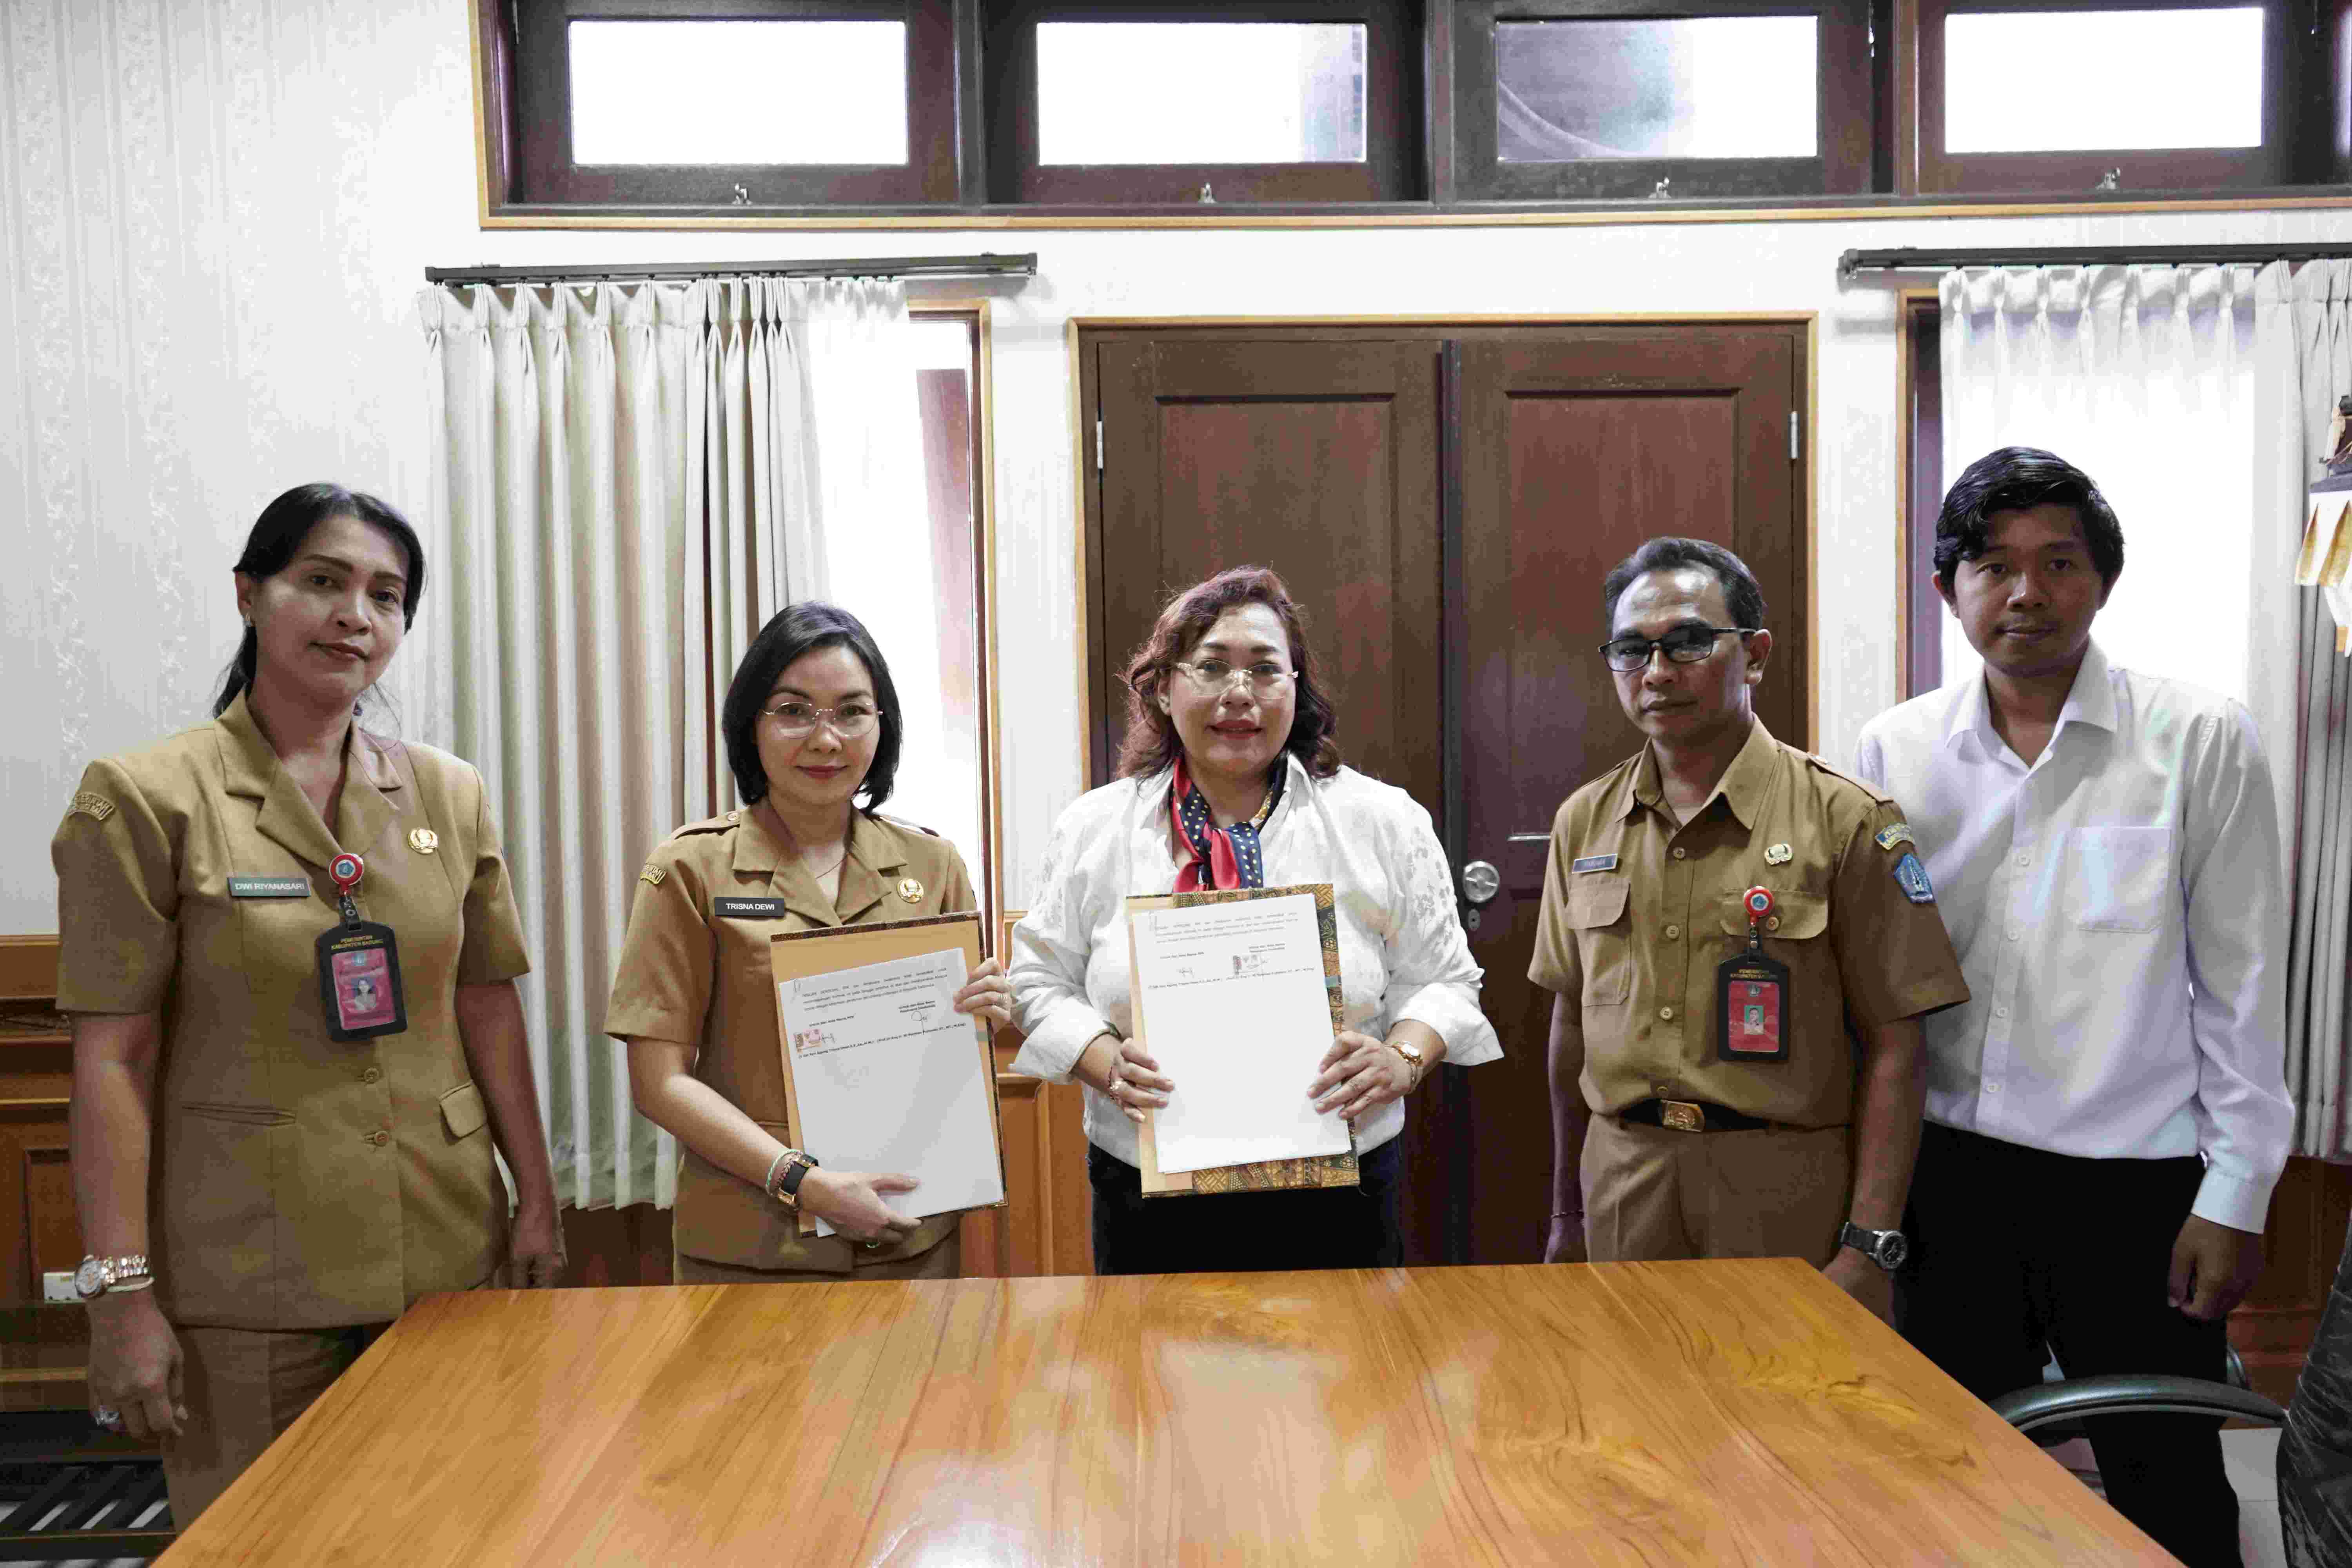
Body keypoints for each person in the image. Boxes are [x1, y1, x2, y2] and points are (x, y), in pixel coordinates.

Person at [54, 483, 563, 1524]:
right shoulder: (148, 796)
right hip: (248, 1274)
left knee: (454, 1534)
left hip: (444, 1247)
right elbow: (113, 1060)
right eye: (322, 582)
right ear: (251, 595)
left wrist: (540, 1201)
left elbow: (487, 1005)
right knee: (262, 1544)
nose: (356, 615)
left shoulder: (449, 794)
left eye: (387, 594)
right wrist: (121, 1296)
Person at [1854, 447, 2292, 1568]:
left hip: (2138, 1186)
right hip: (1950, 1177)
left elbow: (2241, 983)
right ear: (1948, 588)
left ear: (2102, 582)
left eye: (2060, 563)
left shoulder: (2198, 741)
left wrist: (2237, 1192)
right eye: (1992, 567)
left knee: (2167, 1484)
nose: (2026, 594)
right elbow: (1873, 984)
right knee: (1956, 1470)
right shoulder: (1895, 751)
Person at [1007, 566, 1500, 1274]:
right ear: (1164, 687)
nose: (1239, 694)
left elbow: (1449, 982)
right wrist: (1105, 1062)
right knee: (1154, 1381)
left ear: (1297, 689)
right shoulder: (1094, 827)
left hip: (1340, 1185)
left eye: (1265, 669)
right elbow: (1038, 982)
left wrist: (1401, 1060)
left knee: (1350, 1379)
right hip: (1147, 1187)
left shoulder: (1380, 820)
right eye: (1210, 667)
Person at [1530, 537, 1968, 1321]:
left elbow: (1899, 1043)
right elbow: (1570, 1024)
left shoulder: (1846, 818)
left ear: (1755, 654)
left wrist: (1871, 1241)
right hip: (1626, 1178)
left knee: (1789, 1421)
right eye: (1632, 649)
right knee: (1641, 1420)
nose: (1657, 672)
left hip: (1785, 1182)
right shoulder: (1585, 821)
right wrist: (1567, 1211)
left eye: (1689, 642)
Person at [608, 603, 1010, 1283]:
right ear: (752, 726)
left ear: (882, 727)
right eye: (794, 711)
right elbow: (660, 1082)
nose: (827, 739)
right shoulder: (691, 869)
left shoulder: (931, 865)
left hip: (909, 1231)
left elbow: (950, 1063)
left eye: (853, 712)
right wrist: (801, 1181)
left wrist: (988, 1008)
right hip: (754, 1245)